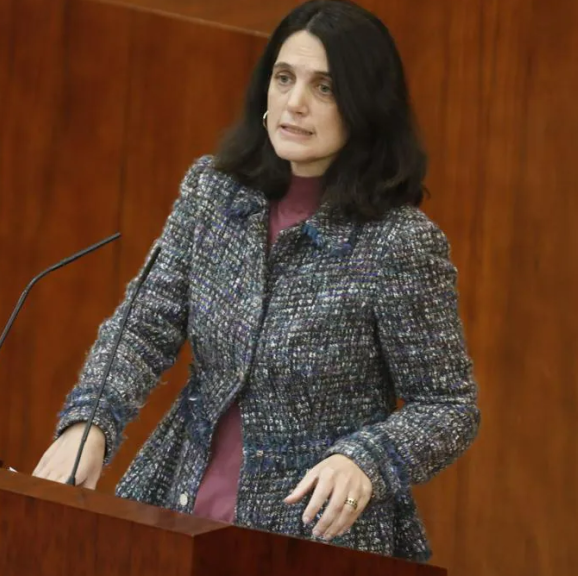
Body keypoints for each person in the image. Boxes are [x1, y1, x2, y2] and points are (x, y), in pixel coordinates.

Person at [33, 0, 479, 562]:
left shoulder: (397, 243)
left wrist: (368, 457)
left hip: (315, 533)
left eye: (325, 88)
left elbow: (448, 404)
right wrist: (91, 423)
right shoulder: (214, 193)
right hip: (180, 496)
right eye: (284, 78)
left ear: (366, 106)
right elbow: (143, 330)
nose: (294, 103)